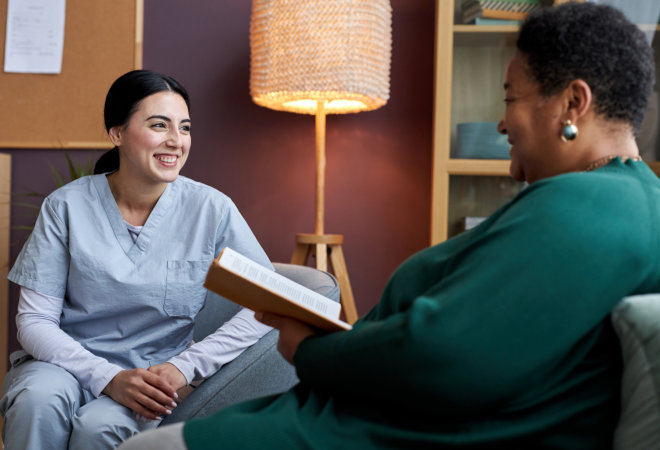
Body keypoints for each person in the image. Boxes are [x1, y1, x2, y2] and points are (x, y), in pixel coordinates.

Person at [121, 3, 658, 449]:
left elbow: (447, 355)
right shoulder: (627, 198)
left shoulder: (583, 208)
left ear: (573, 103)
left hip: (388, 429)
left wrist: (310, 350)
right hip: (388, 413)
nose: (500, 122)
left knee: (145, 448)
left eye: (510, 98)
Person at [0, 70, 272, 449]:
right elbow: (34, 320)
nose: (176, 141)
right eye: (159, 125)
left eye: (185, 127)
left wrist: (186, 366)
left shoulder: (211, 209)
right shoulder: (66, 206)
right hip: (62, 364)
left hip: (151, 377)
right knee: (36, 401)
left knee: (99, 428)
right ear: (117, 134)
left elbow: (268, 301)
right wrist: (106, 376)